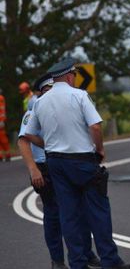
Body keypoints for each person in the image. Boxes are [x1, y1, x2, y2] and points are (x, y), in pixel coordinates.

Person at [24, 58, 130, 269]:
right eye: (74, 75)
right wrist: (99, 149)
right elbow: (95, 126)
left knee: (69, 215)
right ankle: (110, 261)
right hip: (82, 160)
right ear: (69, 76)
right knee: (98, 211)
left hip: (55, 162)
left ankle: (77, 263)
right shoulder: (79, 95)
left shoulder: (40, 102)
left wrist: (48, 144)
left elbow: (29, 134)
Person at [17, 73, 101, 269]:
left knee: (78, 212)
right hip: (45, 168)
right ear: (40, 92)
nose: (50, 93)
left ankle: (84, 255)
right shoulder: (34, 109)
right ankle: (57, 260)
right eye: (46, 90)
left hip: (66, 163)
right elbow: (23, 140)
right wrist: (33, 170)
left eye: (52, 88)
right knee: (54, 215)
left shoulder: (62, 105)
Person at [0, 87, 11, 162]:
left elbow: (2, 110)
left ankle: (7, 155)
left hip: (0, 122)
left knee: (3, 139)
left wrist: (2, 121)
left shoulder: (1, 98)